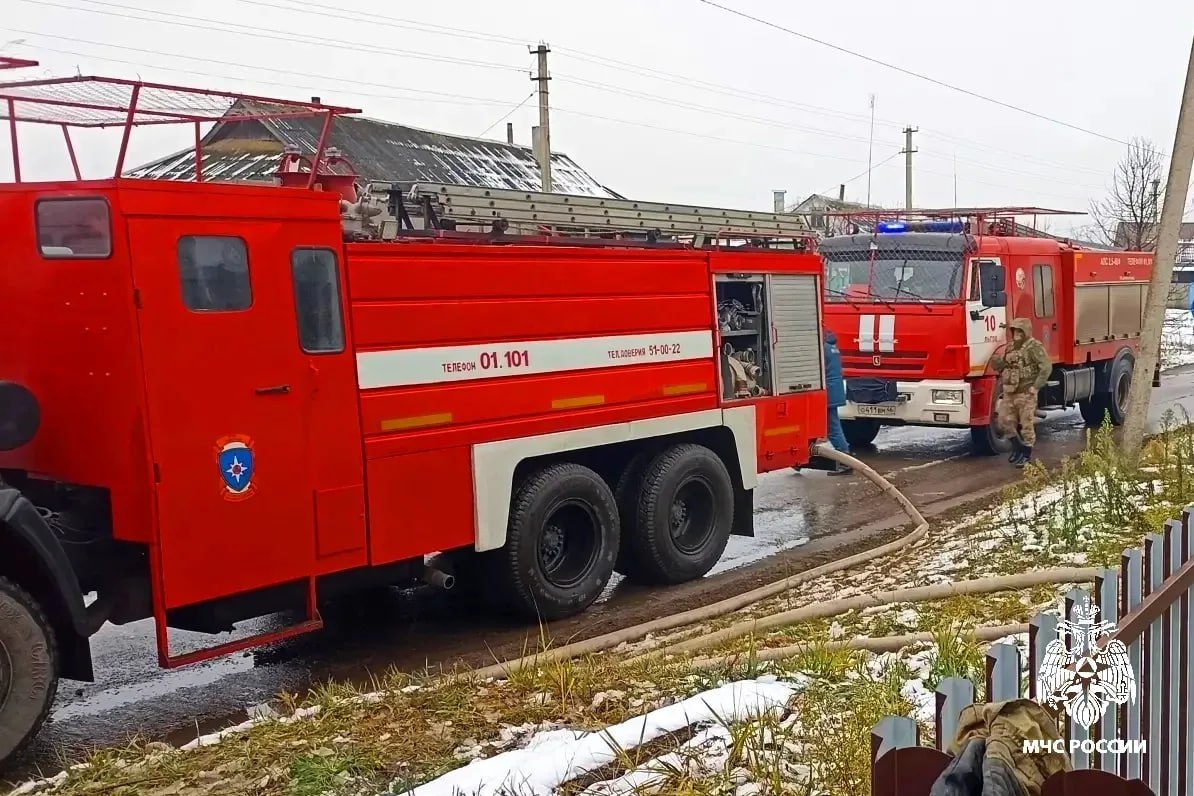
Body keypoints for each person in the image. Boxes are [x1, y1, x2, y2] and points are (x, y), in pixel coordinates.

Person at [990, 318, 1051, 468]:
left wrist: (1035, 387)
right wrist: (997, 362)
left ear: (1025, 332)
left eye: (1019, 331)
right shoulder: (1010, 347)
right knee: (1004, 421)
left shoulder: (1034, 347)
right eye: (1014, 331)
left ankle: (1026, 455)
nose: (1016, 334)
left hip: (1026, 392)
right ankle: (1018, 449)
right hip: (1010, 392)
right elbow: (1005, 366)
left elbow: (1046, 367)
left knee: (1026, 424)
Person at [823, 329, 852, 476]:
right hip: (834, 389)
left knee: (832, 428)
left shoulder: (823, 348)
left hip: (828, 391)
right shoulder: (831, 347)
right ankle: (800, 462)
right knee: (830, 425)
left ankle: (845, 461)